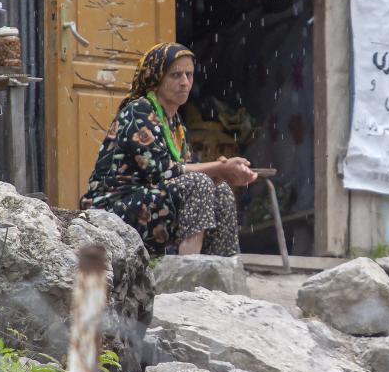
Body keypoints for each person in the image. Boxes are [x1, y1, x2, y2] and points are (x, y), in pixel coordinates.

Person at [80, 42, 257, 256]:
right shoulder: (139, 111)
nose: (185, 82)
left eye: (189, 75)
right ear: (156, 79)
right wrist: (220, 168)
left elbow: (186, 174)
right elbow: (163, 172)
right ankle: (187, 275)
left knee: (220, 191)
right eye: (176, 75)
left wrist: (223, 173)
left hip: (150, 204)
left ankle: (220, 273)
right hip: (111, 211)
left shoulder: (176, 124)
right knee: (200, 183)